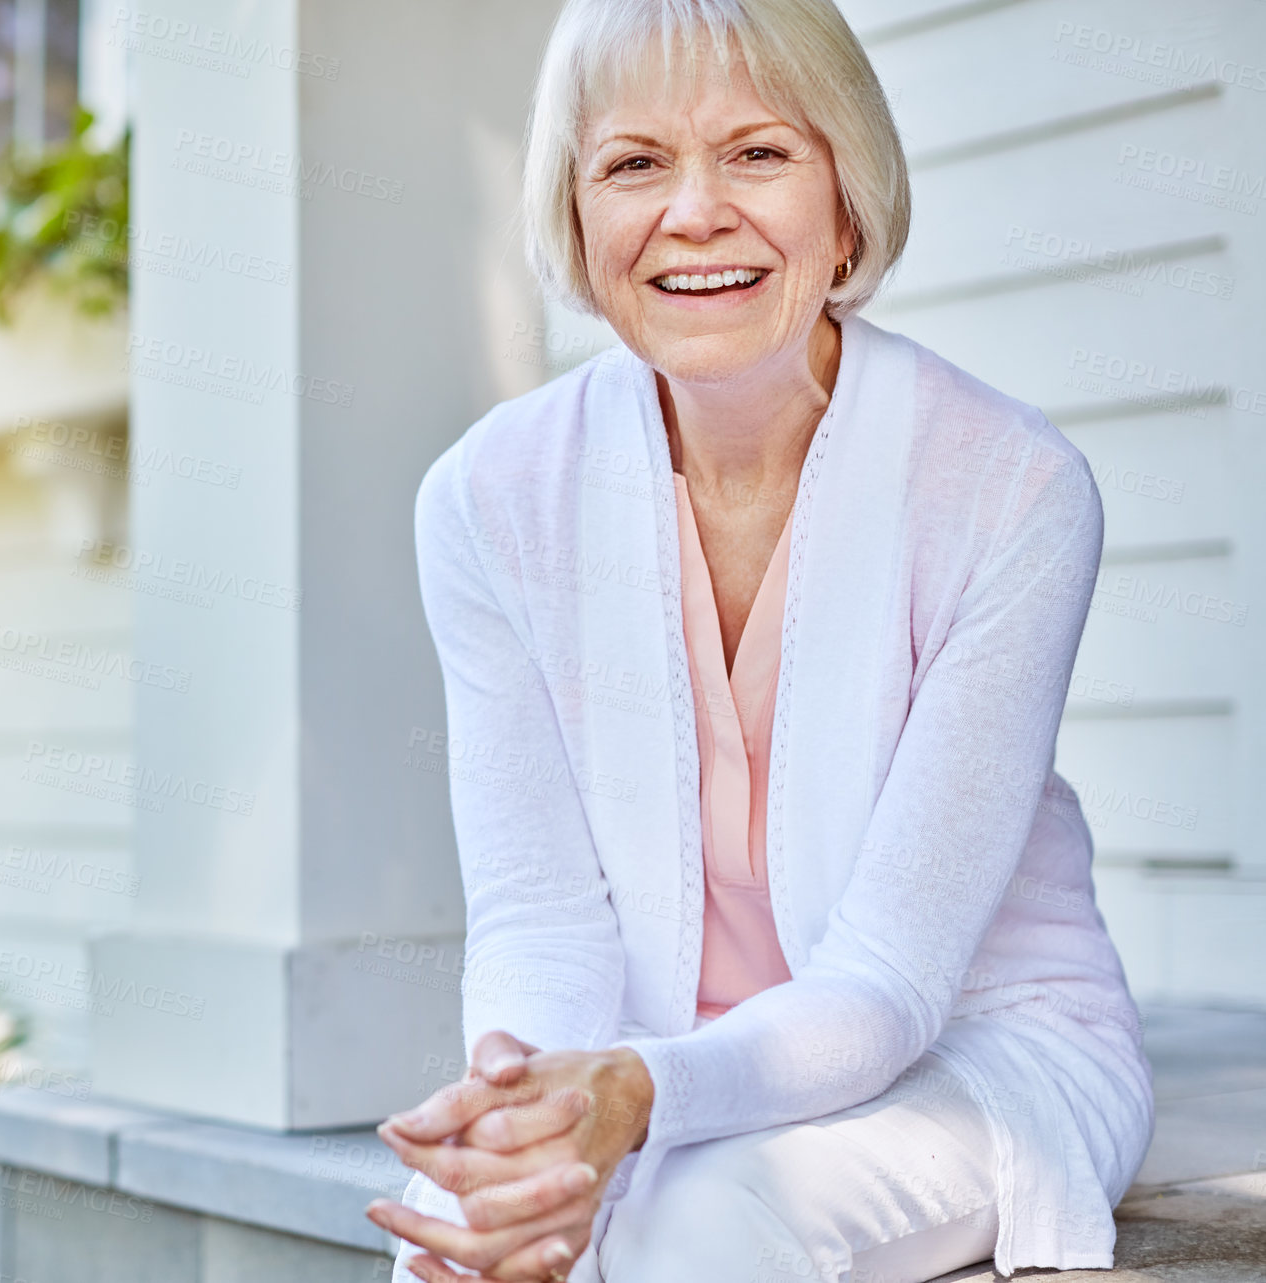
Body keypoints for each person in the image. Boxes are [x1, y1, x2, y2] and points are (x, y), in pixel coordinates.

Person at [366, 1, 1154, 1279]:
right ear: (577, 218)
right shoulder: (488, 498)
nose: (693, 212)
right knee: (465, 1238)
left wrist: (635, 1097)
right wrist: (534, 1119)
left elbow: (890, 983)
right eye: (633, 164)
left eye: (759, 153)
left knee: (712, 1218)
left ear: (848, 202)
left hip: (976, 1040)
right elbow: (541, 916)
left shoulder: (1011, 490)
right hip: (650, 1038)